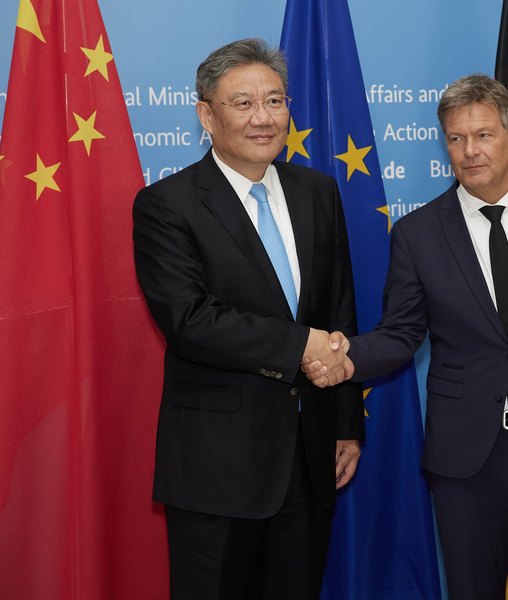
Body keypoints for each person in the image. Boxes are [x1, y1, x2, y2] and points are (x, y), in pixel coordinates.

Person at [303, 74, 508, 600]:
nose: (470, 151)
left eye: (482, 135)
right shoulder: (417, 233)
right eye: (456, 139)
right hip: (467, 460)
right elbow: (401, 333)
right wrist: (346, 359)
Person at [132, 38, 362, 600]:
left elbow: (338, 313)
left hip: (309, 461)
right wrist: (301, 345)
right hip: (218, 468)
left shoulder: (319, 192)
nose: (264, 118)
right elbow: (190, 320)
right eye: (243, 103)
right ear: (206, 115)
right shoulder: (167, 204)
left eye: (276, 101)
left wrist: (344, 424)